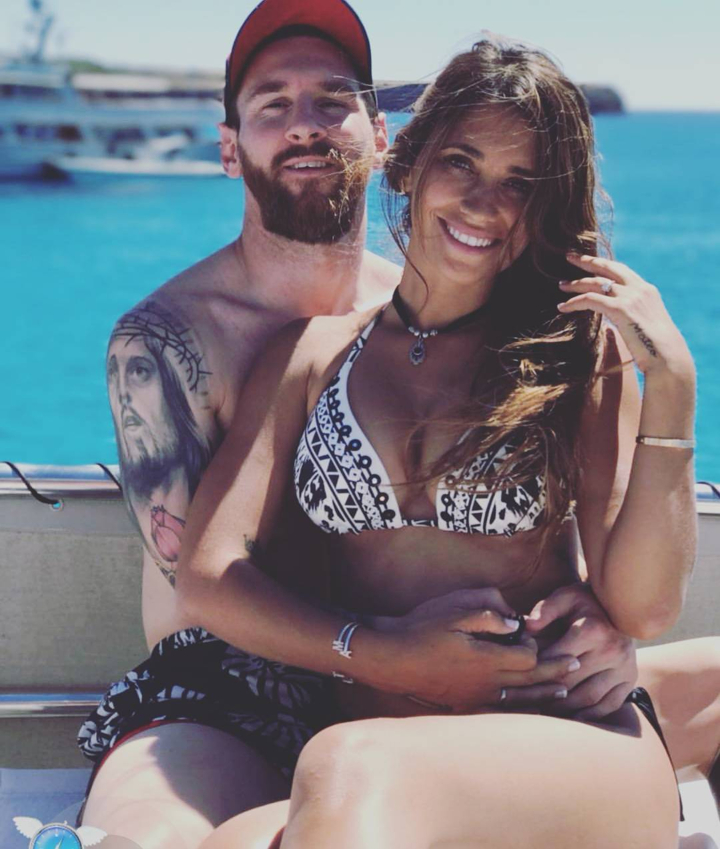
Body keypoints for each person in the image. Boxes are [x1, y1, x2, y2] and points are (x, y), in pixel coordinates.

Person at [77, 4, 717, 847]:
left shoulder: (570, 357)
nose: (485, 202)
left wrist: (672, 387)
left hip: (559, 739)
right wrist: (383, 649)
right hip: (376, 745)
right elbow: (208, 575)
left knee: (345, 766)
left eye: (521, 182)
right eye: (462, 162)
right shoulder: (310, 359)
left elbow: (643, 606)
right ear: (408, 163)